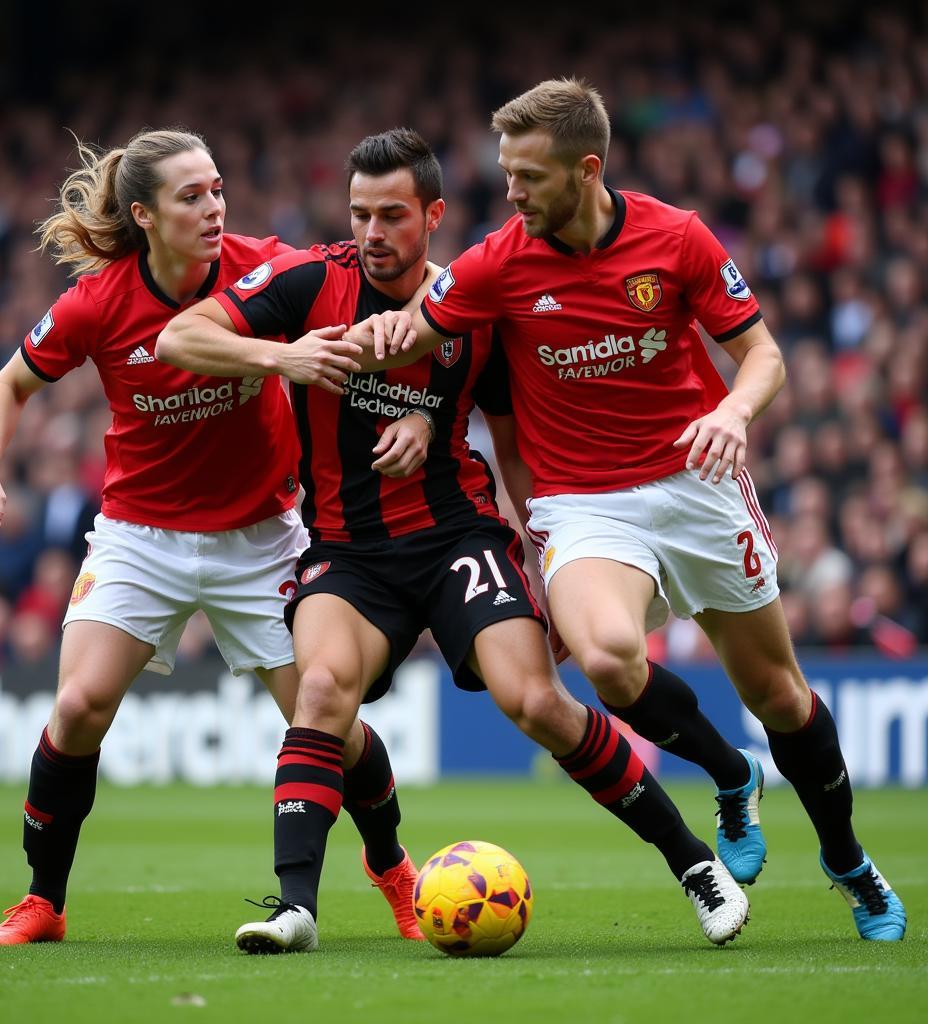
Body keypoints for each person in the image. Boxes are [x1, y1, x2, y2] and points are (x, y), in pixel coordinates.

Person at [156, 127, 751, 954]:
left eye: (392, 215)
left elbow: (512, 442)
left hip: (457, 539)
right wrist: (283, 356)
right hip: (348, 552)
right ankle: (296, 908)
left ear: (432, 215)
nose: (372, 232)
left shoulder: (478, 305)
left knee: (538, 703)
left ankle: (694, 864)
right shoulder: (306, 282)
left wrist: (523, 528)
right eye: (360, 213)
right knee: (322, 690)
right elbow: (178, 339)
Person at [365, 79, 906, 941]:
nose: (510, 192)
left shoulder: (676, 238)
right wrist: (330, 366)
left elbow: (762, 354)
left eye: (528, 177)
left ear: (586, 171)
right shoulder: (500, 260)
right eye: (506, 173)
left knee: (780, 696)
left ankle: (845, 858)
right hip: (584, 502)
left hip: (696, 483)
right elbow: (417, 331)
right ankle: (731, 777)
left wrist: (731, 411)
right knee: (608, 658)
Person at [0, 127, 425, 947]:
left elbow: (406, 292)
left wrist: (421, 404)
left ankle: (395, 871)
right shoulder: (98, 302)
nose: (214, 208)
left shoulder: (266, 265)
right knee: (76, 707)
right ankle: (42, 902)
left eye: (216, 189)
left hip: (263, 536)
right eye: (191, 196)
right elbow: (9, 385)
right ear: (143, 214)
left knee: (330, 723)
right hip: (142, 537)